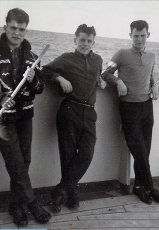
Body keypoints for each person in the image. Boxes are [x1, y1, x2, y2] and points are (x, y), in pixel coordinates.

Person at [0, 8, 51, 226]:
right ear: (5, 27)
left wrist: (33, 79)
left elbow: (40, 88)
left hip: (25, 115)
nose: (17, 33)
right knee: (16, 163)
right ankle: (32, 204)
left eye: (22, 29)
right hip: (1, 117)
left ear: (26, 30)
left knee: (24, 162)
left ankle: (16, 206)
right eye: (13, 28)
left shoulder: (32, 57)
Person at [102, 20, 159, 204]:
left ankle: (139, 187)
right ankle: (151, 188)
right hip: (128, 107)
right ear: (130, 35)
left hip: (147, 106)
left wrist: (154, 85)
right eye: (136, 35)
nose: (139, 39)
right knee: (138, 148)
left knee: (145, 149)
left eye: (142, 35)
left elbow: (150, 75)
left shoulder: (152, 56)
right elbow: (105, 73)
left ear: (148, 35)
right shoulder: (121, 54)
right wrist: (118, 82)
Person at [42, 24, 106, 212]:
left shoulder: (98, 60)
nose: (85, 44)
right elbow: (45, 71)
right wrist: (60, 79)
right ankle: (71, 193)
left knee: (87, 154)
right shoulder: (66, 59)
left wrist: (101, 81)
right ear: (75, 40)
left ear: (94, 41)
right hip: (70, 110)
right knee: (68, 155)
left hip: (90, 112)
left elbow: (98, 76)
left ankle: (60, 190)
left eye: (89, 40)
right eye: (82, 40)